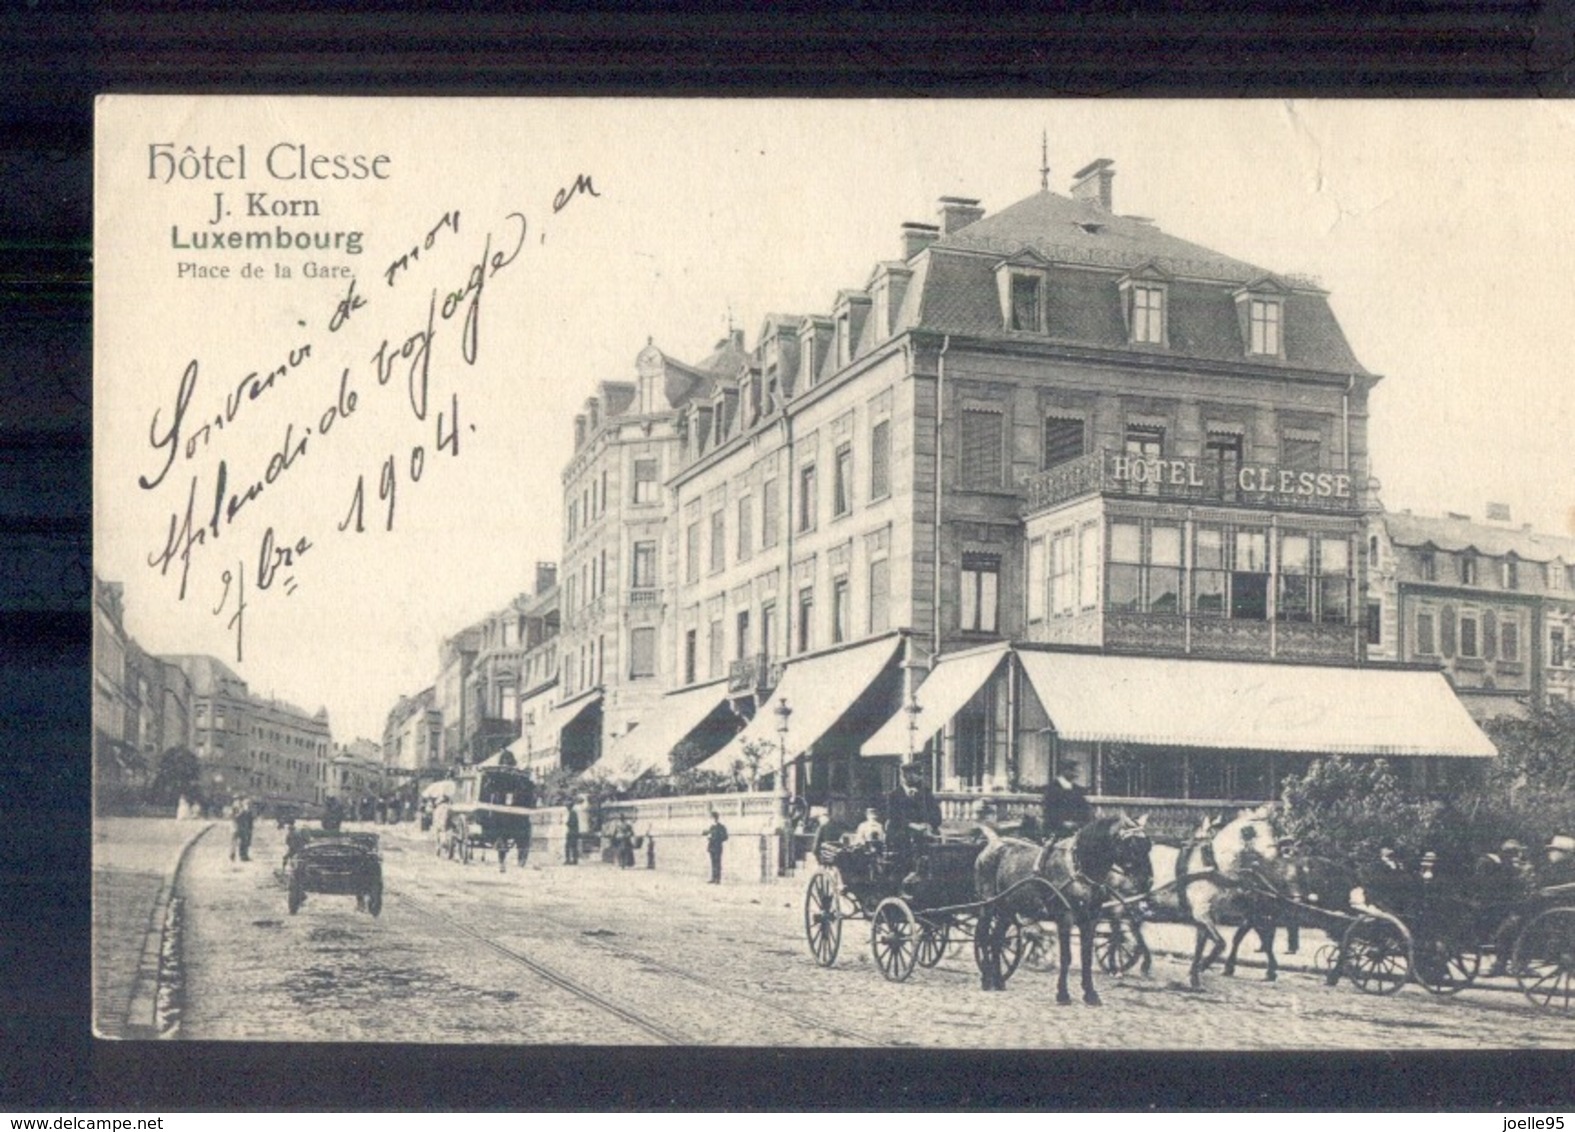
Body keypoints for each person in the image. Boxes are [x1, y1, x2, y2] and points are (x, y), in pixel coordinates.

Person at [1041, 761, 1094, 841]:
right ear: (1066, 771)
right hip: (1056, 832)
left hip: (1076, 830)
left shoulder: (1077, 790)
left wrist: (1084, 822)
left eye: (1078, 772)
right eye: (1075, 772)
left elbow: (1085, 808)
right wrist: (1062, 823)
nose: (1077, 775)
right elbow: (1049, 811)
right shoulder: (1052, 788)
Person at [704, 810, 728, 884]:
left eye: (712, 818)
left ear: (715, 818)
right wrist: (706, 834)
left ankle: (718, 879)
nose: (711, 819)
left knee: (718, 863)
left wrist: (717, 838)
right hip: (711, 847)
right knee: (713, 863)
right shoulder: (711, 827)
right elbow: (704, 833)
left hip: (717, 846)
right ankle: (713, 878)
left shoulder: (721, 827)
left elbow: (725, 837)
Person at [564, 801, 580, 865]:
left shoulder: (572, 813)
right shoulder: (572, 813)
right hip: (573, 832)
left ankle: (570, 860)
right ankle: (573, 860)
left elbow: (573, 823)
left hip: (572, 832)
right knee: (572, 847)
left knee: (569, 846)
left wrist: (567, 823)